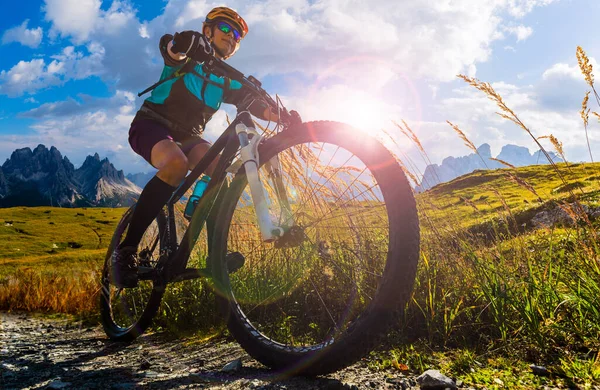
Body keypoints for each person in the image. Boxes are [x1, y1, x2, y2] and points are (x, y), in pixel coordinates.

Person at [112, 6, 279, 288]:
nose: (231, 36)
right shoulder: (190, 58)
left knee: (219, 172)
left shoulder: (226, 80)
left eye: (237, 35)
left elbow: (251, 102)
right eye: (225, 29)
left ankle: (215, 255)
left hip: (189, 136)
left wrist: (279, 115)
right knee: (175, 164)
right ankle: (125, 251)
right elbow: (171, 49)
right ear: (207, 31)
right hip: (152, 125)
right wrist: (183, 44)